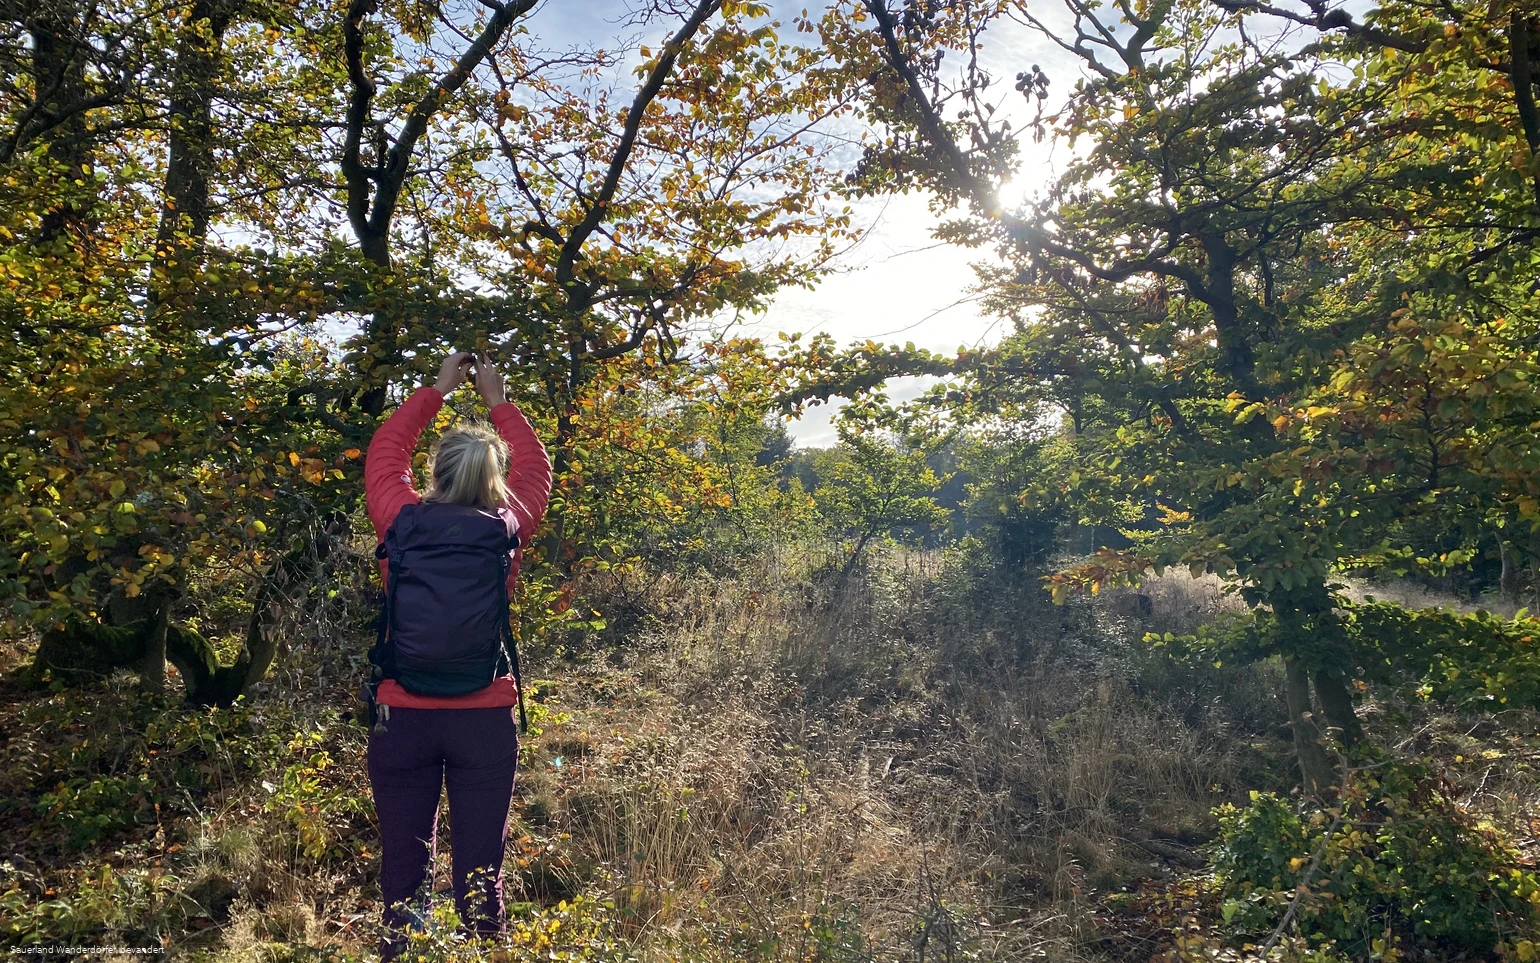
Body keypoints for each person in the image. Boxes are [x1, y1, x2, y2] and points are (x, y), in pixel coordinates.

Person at [362, 351, 551, 957]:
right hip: (484, 717)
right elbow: (537, 472)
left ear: (434, 474)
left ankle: (404, 945)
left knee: (404, 853)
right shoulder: (507, 525)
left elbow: (386, 451)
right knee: (480, 860)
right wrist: (498, 399)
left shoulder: (400, 520)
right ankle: (482, 946)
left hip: (403, 715)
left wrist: (438, 389)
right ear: (493, 480)